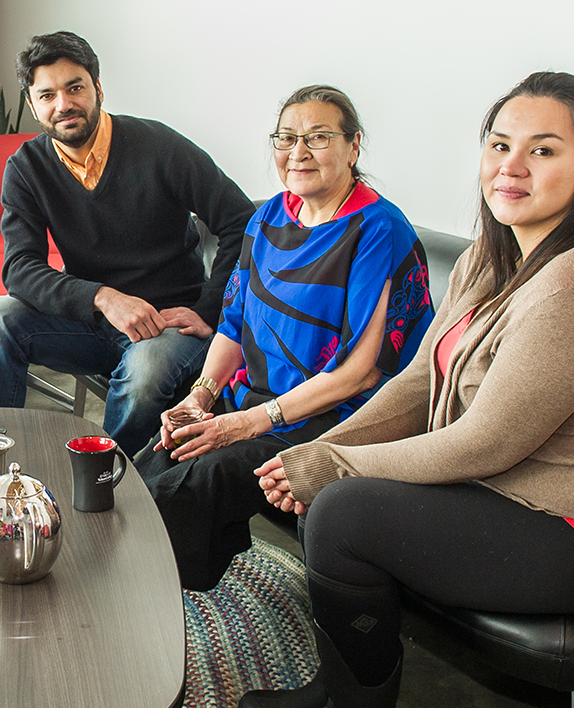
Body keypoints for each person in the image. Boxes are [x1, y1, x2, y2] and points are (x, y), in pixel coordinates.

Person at [243, 72, 574, 708]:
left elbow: (484, 443)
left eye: (543, 150)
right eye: (499, 145)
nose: (511, 166)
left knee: (344, 513)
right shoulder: (491, 254)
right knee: (331, 486)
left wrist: (331, 465)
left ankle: (351, 702)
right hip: (511, 489)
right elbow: (419, 379)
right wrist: (324, 447)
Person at [139, 85, 433, 594]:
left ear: (353, 145)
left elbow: (361, 372)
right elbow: (234, 323)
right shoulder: (269, 216)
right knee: (148, 466)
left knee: (190, 487)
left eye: (318, 137)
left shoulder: (378, 230)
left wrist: (246, 424)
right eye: (287, 137)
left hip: (334, 419)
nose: (298, 152)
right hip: (252, 402)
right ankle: (166, 587)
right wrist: (201, 396)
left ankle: (159, 613)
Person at [0, 31, 254, 454]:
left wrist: (210, 309)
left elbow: (243, 222)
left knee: (145, 375)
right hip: (89, 320)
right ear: (33, 106)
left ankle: (108, 485)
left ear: (98, 88)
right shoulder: (27, 167)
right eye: (46, 95)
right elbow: (19, 269)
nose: (63, 104)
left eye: (75, 88)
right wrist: (103, 297)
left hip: (165, 322)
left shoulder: (160, 146)